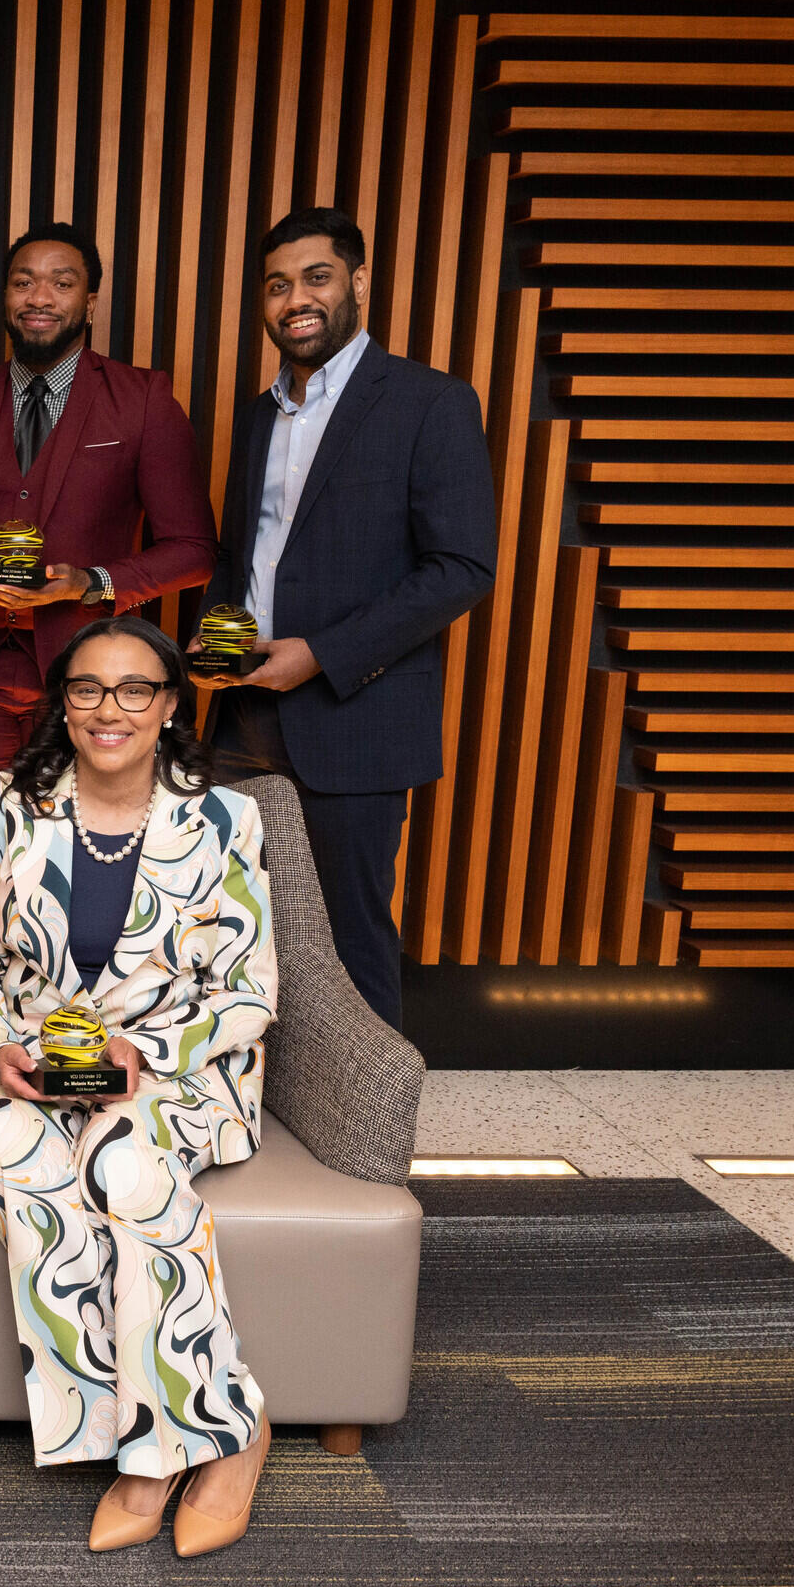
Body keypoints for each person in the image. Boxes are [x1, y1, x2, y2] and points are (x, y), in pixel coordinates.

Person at [0, 615, 276, 1558]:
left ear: (170, 705)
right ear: (63, 702)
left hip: (177, 1067)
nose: (109, 709)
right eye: (87, 688)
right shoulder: (7, 801)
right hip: (28, 1064)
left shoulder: (226, 820)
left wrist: (147, 1058)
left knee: (125, 1166)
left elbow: (249, 992)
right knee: (16, 1153)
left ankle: (190, 1442)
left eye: (136, 689)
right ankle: (168, 1427)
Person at [195, 207, 494, 1028]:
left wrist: (321, 654)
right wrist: (213, 641)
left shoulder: (431, 403)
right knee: (227, 925)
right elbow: (245, 553)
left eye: (316, 278)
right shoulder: (260, 415)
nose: (297, 298)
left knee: (349, 937)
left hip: (357, 715)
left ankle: (364, 1147)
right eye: (279, 284)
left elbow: (461, 567)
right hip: (243, 713)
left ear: (358, 283)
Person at [0, 222, 216, 793]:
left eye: (60, 284)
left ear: (89, 304)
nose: (39, 298)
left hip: (95, 681)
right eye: (23, 283)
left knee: (80, 858)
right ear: (6, 298)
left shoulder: (142, 400)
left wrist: (91, 581)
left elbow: (194, 551)